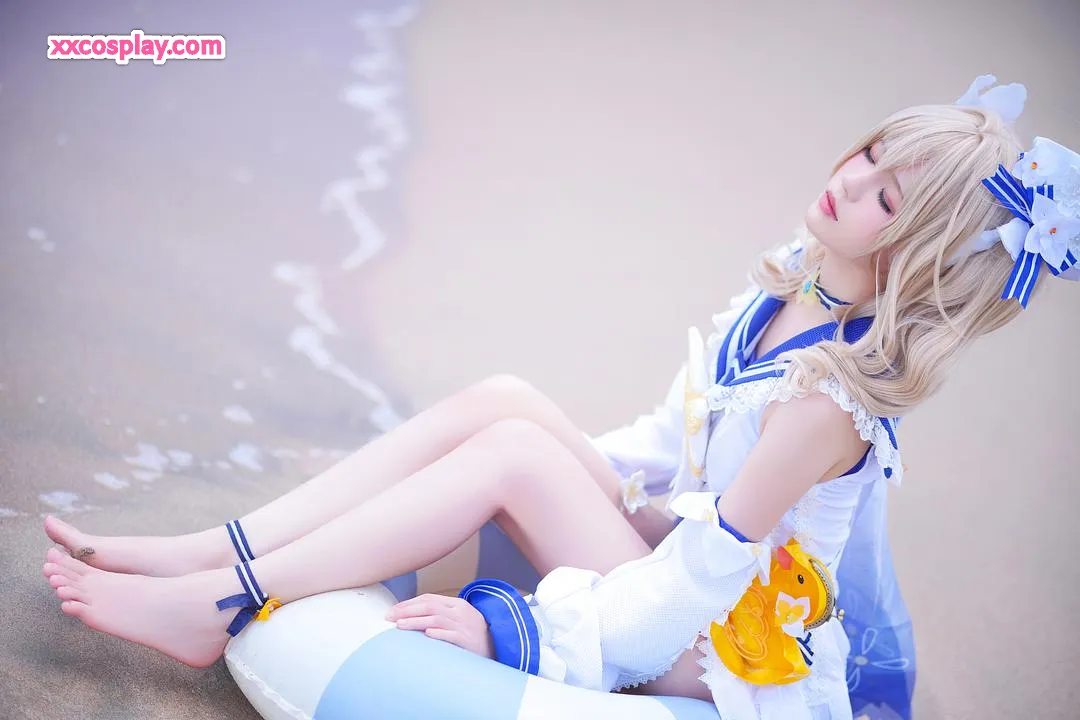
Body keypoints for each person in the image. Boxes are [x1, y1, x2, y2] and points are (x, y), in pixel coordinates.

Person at [41, 75, 1079, 719]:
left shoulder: (827, 407)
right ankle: (207, 553)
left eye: (885, 196)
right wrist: (566, 466)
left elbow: (695, 586)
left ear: (917, 259)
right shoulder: (795, 282)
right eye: (869, 155)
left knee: (519, 456)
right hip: (686, 553)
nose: (849, 180)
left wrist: (520, 633)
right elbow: (667, 444)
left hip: (725, 647)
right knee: (508, 402)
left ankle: (221, 607)